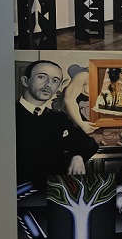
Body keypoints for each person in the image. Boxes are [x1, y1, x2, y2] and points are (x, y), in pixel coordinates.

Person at [16, 60, 99, 191]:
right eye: (41, 77)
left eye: (55, 80)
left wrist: (78, 156)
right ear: (25, 81)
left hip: (52, 192)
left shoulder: (59, 118)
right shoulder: (4, 116)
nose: (48, 84)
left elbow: (88, 143)